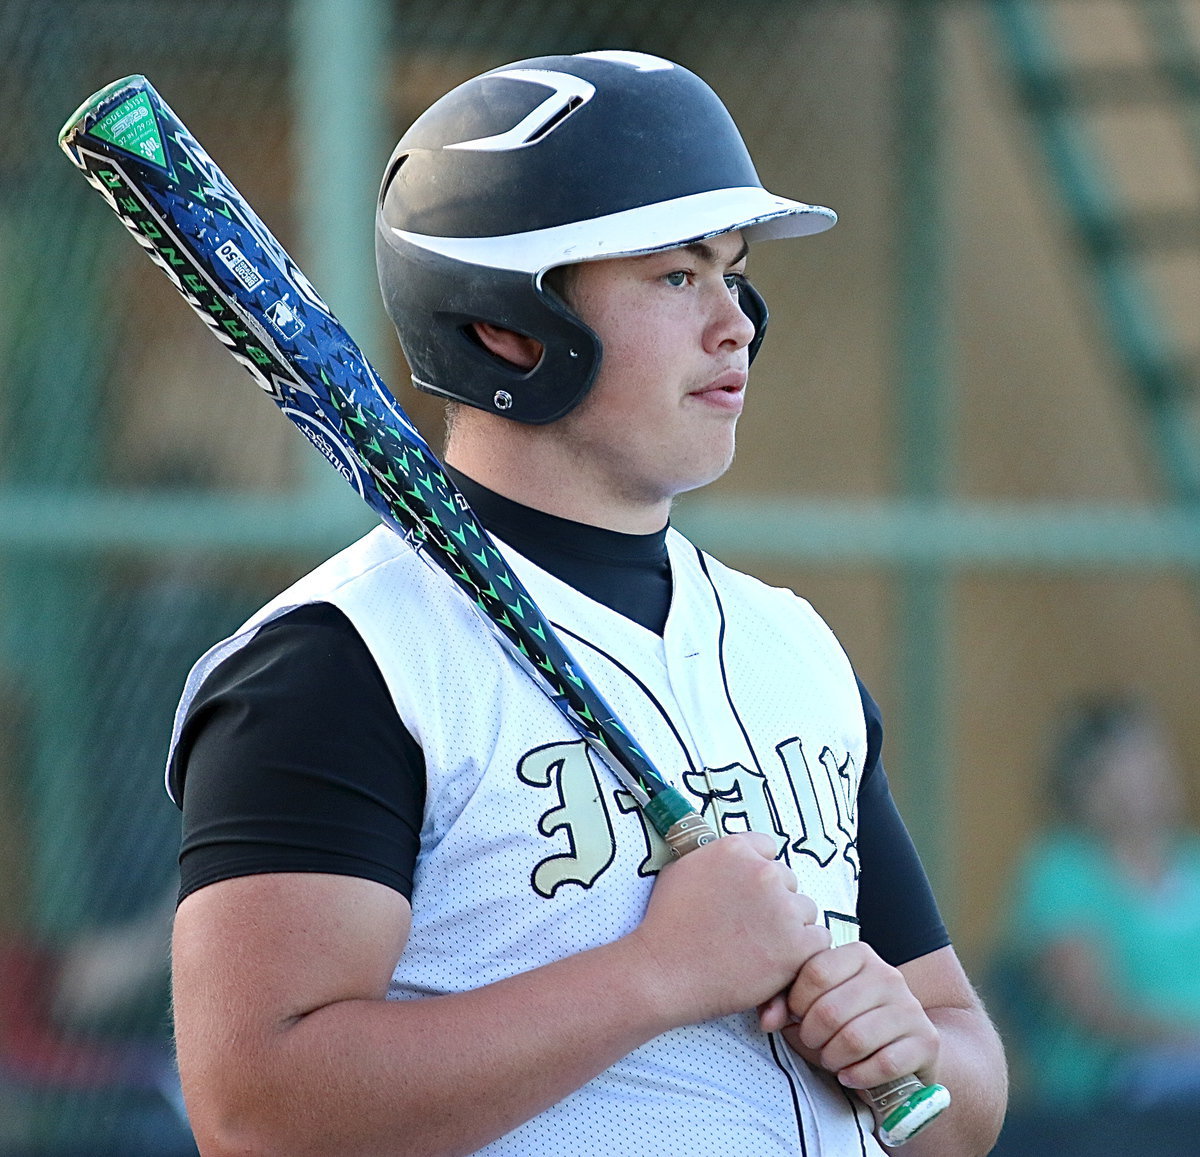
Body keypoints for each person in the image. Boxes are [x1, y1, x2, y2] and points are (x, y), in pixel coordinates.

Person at [166, 51, 1006, 1156]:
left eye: (735, 271)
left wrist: (915, 1050)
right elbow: (258, 1109)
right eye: (676, 275)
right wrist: (657, 974)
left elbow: (964, 1102)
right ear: (508, 325)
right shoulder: (341, 664)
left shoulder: (790, 645)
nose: (737, 323)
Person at [998, 696, 1200, 1114]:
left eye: (1150, 757)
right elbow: (1094, 1009)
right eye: (1123, 764)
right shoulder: (1061, 871)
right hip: (1115, 1079)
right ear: (1083, 782)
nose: (1143, 777)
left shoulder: (1191, 861)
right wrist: (1189, 1036)